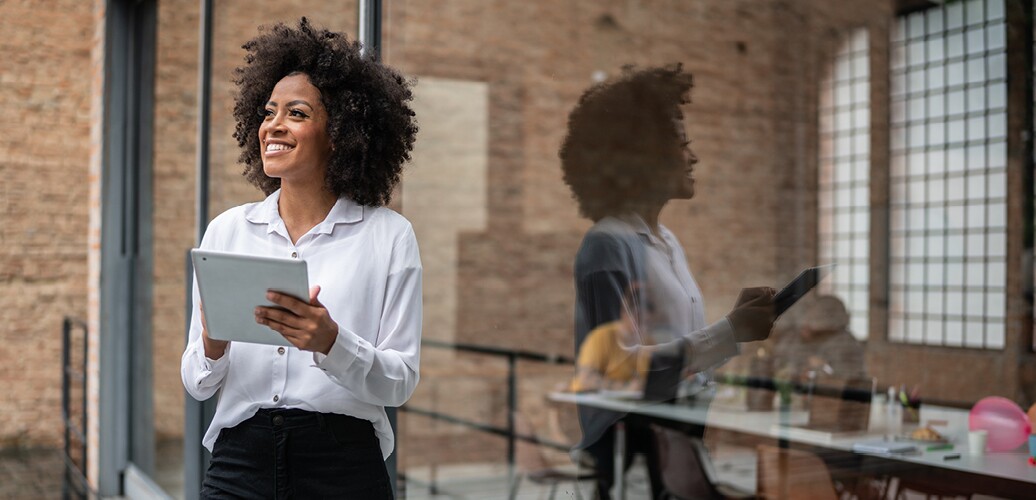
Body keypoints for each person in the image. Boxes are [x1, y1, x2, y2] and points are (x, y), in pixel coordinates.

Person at [180, 18, 420, 499]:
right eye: (269, 112)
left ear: (341, 132)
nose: (274, 125)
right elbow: (197, 384)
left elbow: (400, 383)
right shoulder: (227, 230)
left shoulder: (389, 236)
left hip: (342, 467)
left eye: (297, 113)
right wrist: (211, 343)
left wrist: (332, 342)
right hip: (238, 464)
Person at [559, 64, 776, 500]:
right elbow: (619, 371)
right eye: (683, 144)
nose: (693, 157)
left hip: (680, 446)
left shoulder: (668, 242)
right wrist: (730, 331)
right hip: (634, 460)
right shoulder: (607, 244)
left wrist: (736, 326)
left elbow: (684, 356)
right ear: (644, 153)